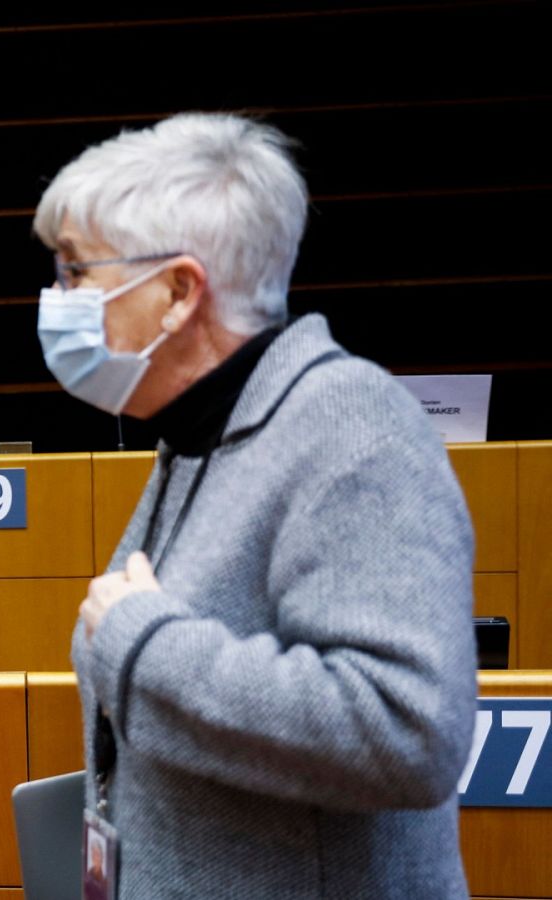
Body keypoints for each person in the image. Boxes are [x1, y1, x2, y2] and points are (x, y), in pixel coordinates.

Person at [33, 113, 476, 897]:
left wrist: (147, 646)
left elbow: (406, 732)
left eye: (76, 271)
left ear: (177, 291)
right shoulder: (202, 436)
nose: (57, 298)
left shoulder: (351, 428)